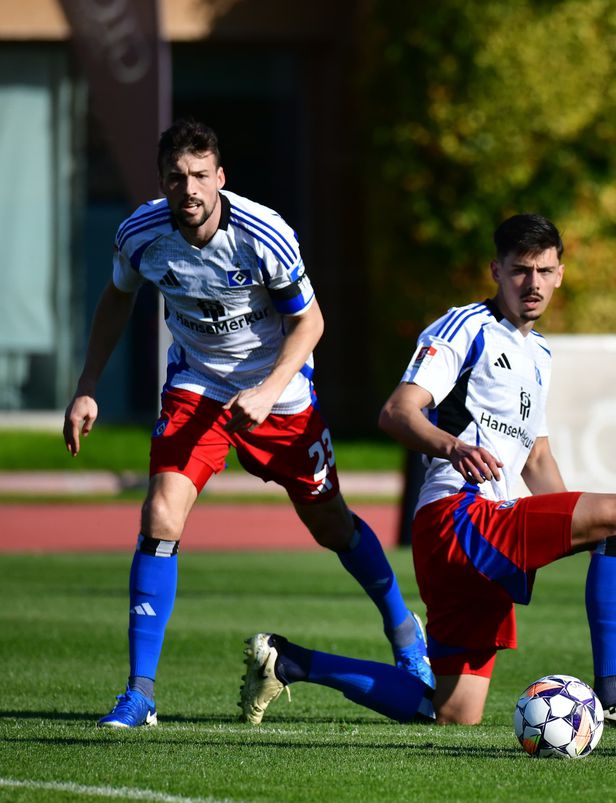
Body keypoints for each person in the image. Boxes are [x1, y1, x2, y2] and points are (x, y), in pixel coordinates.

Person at [240, 214, 616, 730]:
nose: (534, 283)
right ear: (495, 270)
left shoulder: (539, 352)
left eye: (545, 271)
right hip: (459, 515)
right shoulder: (466, 326)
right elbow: (397, 412)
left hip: (471, 538)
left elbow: (537, 459)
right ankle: (615, 693)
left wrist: (571, 530)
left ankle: (290, 660)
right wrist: (452, 447)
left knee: (454, 713)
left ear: (561, 273)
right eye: (521, 270)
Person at [63, 119, 432, 729]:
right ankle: (140, 693)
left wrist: (267, 389)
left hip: (280, 395)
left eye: (201, 176)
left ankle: (403, 629)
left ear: (221, 178)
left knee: (331, 524)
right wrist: (86, 387)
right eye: (177, 179)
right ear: (162, 182)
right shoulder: (141, 235)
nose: (190, 190)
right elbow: (117, 298)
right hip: (198, 388)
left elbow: (310, 325)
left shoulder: (265, 236)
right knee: (160, 515)